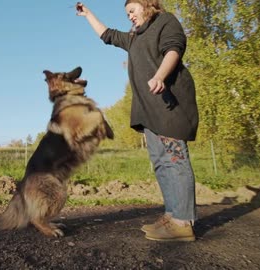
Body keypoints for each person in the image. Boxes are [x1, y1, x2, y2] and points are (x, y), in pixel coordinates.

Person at [76, 0, 199, 242]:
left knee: (175, 159)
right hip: (149, 110)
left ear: (147, 5)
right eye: (127, 14)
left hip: (169, 103)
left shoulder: (166, 21)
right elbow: (107, 35)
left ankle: (184, 222)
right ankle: (172, 215)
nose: (130, 17)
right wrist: (89, 14)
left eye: (132, 11)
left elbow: (174, 48)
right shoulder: (134, 38)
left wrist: (161, 75)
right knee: (161, 162)